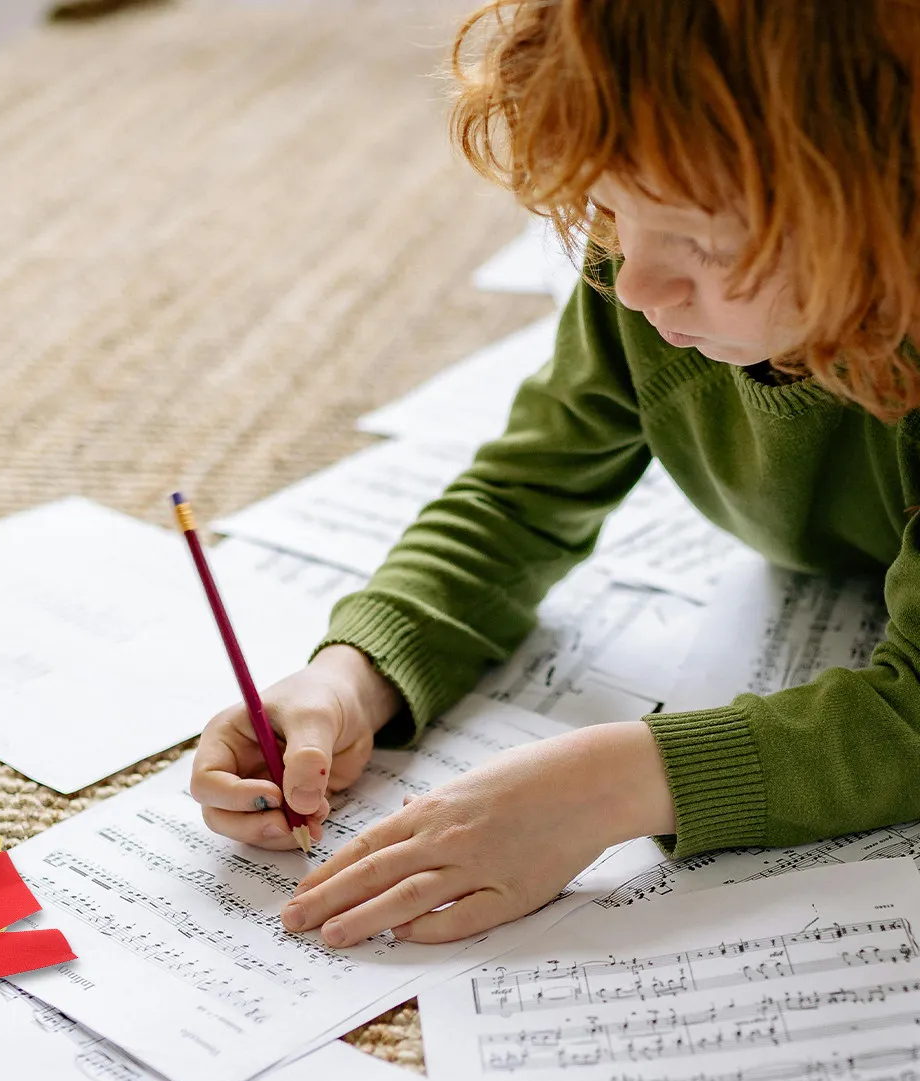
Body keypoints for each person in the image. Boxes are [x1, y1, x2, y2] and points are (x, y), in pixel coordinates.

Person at [191, 0, 920, 948]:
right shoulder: (639, 282)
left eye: (707, 245)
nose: (638, 285)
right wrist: (352, 676)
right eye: (612, 211)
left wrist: (614, 783)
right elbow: (522, 493)